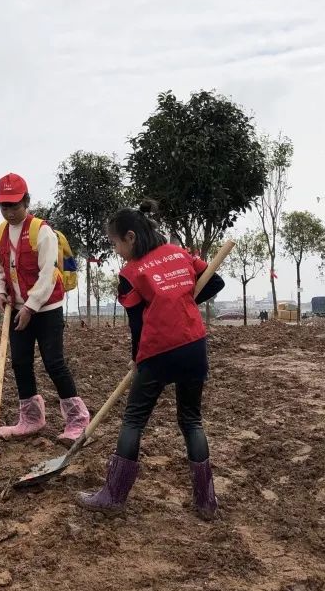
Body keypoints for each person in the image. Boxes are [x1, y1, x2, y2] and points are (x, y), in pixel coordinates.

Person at [77, 203, 225, 518]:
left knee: (133, 420)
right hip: (194, 345)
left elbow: (137, 324)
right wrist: (180, 300)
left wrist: (137, 358)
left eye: (116, 243)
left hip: (158, 351)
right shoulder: (179, 252)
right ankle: (206, 501)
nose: (116, 250)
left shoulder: (131, 273)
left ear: (130, 237)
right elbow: (214, 282)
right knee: (192, 421)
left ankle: (113, 495)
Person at [0, 172, 90, 443]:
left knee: (54, 362)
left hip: (46, 309)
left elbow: (48, 274)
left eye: (14, 205)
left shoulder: (42, 231)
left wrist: (30, 307)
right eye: (4, 206)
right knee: (20, 363)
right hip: (16, 309)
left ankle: (77, 420)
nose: (9, 211)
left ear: (26, 202)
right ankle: (31, 419)